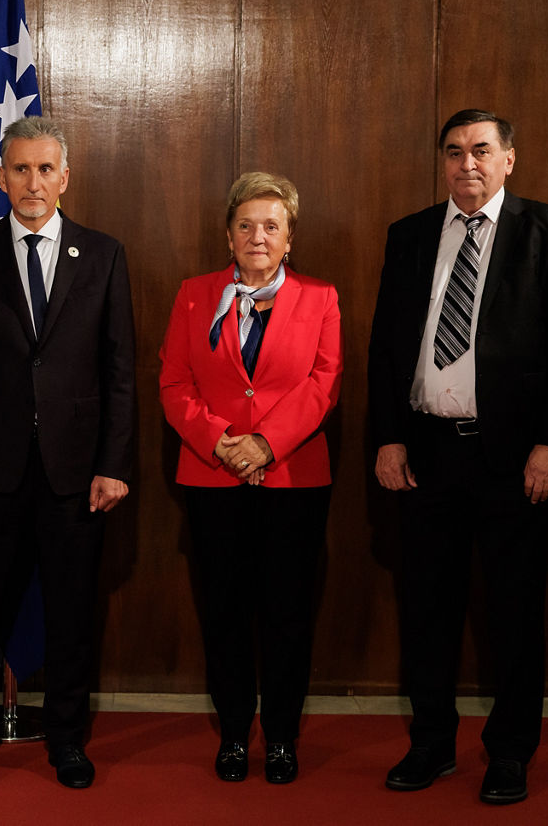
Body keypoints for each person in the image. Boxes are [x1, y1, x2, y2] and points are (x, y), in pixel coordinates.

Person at [367, 109, 548, 805]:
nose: (467, 162)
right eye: (454, 151)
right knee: (427, 611)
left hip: (513, 461)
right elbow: (386, 347)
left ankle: (510, 753)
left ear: (508, 159)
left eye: (481, 150)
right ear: (442, 161)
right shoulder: (409, 235)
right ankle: (431, 743)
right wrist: (388, 437)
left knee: (514, 615)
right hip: (427, 455)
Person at [0, 116, 136, 792]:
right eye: (20, 169)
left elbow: (119, 370)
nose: (33, 182)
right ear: (1, 177)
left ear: (65, 177)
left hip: (75, 473)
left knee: (72, 615)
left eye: (45, 169)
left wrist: (113, 464)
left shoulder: (102, 254)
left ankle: (68, 739)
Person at [159, 172, 342, 784]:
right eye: (245, 225)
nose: (257, 236)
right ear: (228, 235)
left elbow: (324, 383)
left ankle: (283, 737)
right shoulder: (193, 296)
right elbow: (174, 382)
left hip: (293, 480)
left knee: (288, 614)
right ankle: (235, 734)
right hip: (212, 478)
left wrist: (265, 444)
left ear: (289, 238)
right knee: (225, 613)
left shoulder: (320, 297)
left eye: (271, 226)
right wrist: (221, 443)